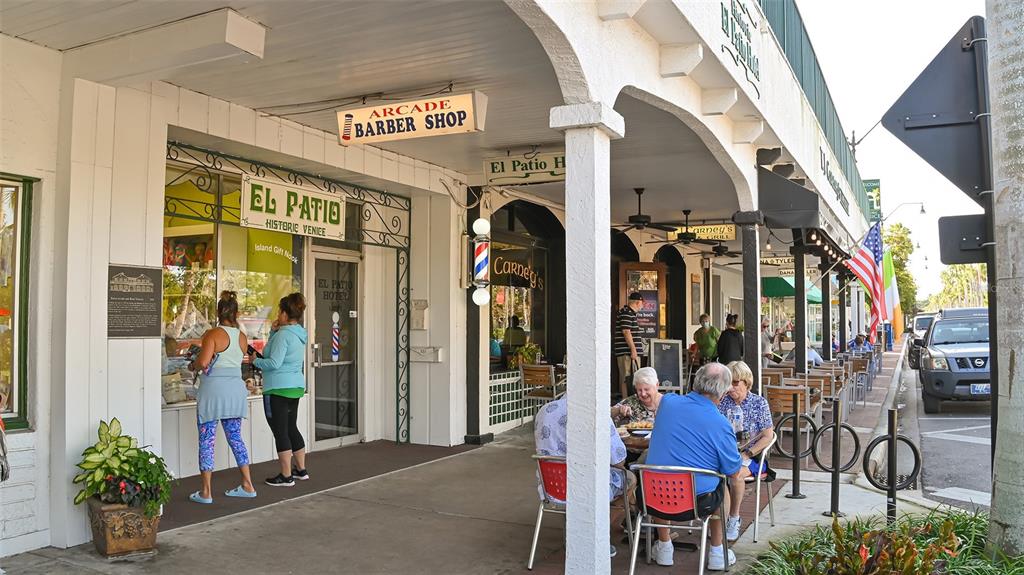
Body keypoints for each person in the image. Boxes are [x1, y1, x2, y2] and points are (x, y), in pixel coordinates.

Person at [645, 363, 741, 570]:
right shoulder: (721, 423)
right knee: (722, 488)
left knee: (660, 476)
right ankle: (716, 553)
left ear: (695, 382)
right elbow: (733, 471)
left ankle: (664, 547)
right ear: (723, 393)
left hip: (652, 496)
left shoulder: (668, 402)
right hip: (697, 503)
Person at [534, 393, 635, 558]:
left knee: (573, 479)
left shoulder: (544, 411)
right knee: (629, 478)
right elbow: (619, 461)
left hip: (552, 486)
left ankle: (576, 531)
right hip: (586, 487)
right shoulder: (596, 412)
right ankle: (594, 534)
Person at [189, 291, 257, 503]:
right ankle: (248, 484)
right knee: (236, 437)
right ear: (235, 313)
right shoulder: (242, 337)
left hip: (213, 392)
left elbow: (203, 362)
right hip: (235, 392)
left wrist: (193, 364)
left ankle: (206, 492)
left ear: (219, 312)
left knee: (207, 440)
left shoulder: (212, 334)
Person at [251, 293, 310, 487]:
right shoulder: (297, 332)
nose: (277, 314)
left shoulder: (283, 335)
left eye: (279, 311)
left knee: (280, 430)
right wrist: (274, 331)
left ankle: (286, 475)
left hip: (278, 388)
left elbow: (274, 362)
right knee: (291, 427)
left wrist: (256, 361)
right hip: (295, 386)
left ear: (285, 313)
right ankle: (301, 470)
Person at [719, 361, 776, 541]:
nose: (730, 388)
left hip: (751, 457)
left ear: (747, 383)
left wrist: (747, 454)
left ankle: (734, 518)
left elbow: (768, 435)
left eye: (735, 383)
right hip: (724, 454)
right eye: (728, 382)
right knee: (710, 473)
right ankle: (716, 517)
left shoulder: (758, 403)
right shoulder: (721, 401)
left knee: (735, 474)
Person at [614, 292, 646, 399]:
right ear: (637, 302)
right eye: (642, 303)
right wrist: (633, 350)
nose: (643, 306)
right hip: (627, 353)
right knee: (627, 377)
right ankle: (627, 401)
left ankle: (631, 401)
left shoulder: (630, 313)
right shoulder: (627, 313)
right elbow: (626, 331)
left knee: (633, 377)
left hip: (629, 352)